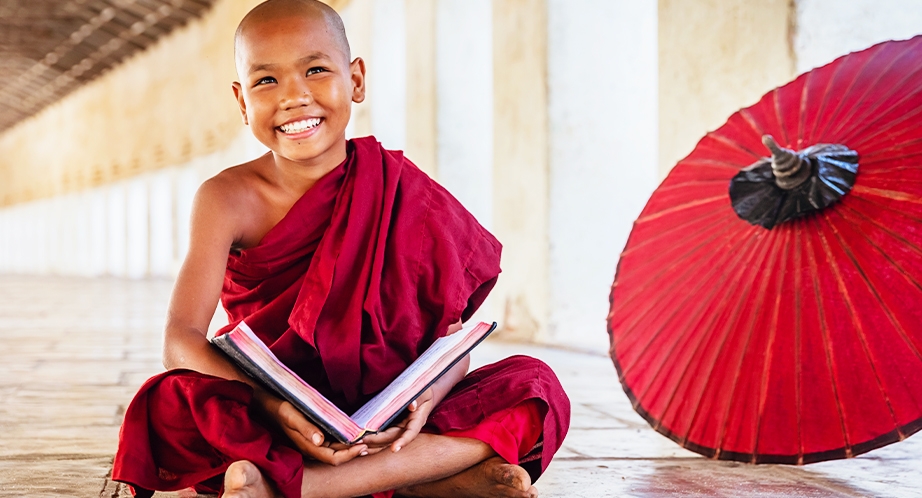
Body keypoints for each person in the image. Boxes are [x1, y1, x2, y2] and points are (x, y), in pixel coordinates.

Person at [112, 1, 570, 497]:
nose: (294, 97)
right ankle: (420, 480)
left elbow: (449, 346)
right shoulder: (227, 198)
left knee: (535, 387)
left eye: (315, 70)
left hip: (389, 411)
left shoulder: (402, 191)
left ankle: (300, 487)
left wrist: (425, 406)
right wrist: (273, 408)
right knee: (173, 400)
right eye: (267, 81)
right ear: (242, 101)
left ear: (355, 80)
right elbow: (180, 339)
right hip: (275, 408)